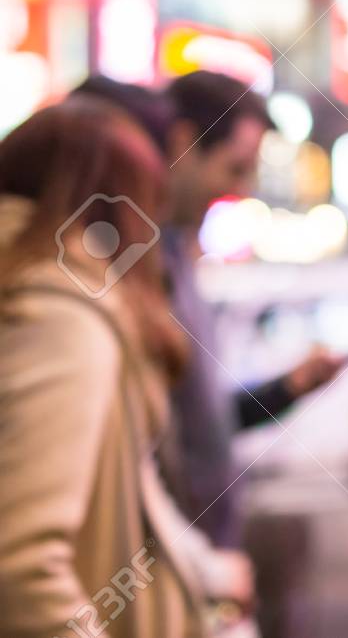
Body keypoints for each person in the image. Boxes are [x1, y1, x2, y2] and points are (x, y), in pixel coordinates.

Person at [0, 97, 245, 638]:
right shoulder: (62, 313)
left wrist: (208, 569)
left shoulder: (35, 294)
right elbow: (21, 568)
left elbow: (134, 491)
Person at [74, 72, 345, 547]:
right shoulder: (124, 267)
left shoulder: (171, 259)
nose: (240, 192)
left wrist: (287, 388)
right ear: (182, 142)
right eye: (235, 168)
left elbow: (199, 426)